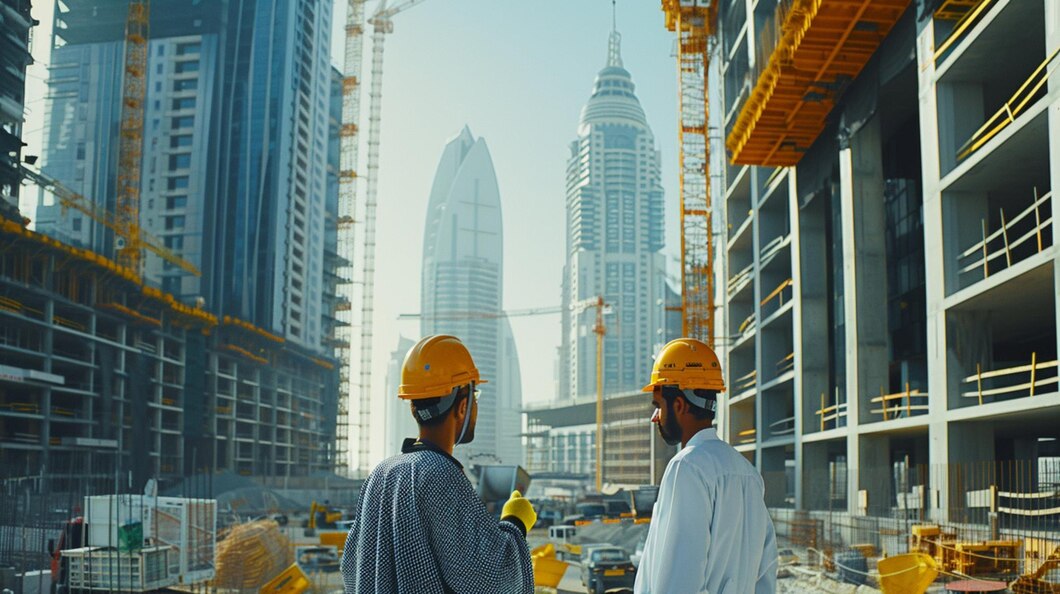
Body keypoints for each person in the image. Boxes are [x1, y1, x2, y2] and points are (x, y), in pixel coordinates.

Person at [340, 334, 536, 594]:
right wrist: (515, 522)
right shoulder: (440, 475)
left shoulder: (380, 474)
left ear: (413, 406)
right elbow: (491, 580)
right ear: (463, 407)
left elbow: (352, 570)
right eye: (475, 396)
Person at [634, 337, 777, 594]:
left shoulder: (687, 467)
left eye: (658, 405)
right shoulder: (748, 474)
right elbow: (765, 574)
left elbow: (678, 583)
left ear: (679, 405)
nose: (655, 417)